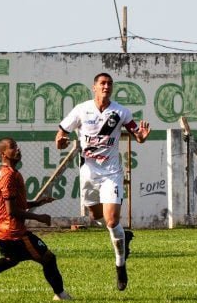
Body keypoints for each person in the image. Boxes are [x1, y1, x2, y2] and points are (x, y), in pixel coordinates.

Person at [55, 72, 150, 291]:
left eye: (109, 84)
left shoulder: (120, 111)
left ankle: (120, 264)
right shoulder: (82, 109)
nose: (106, 86)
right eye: (102, 83)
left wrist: (142, 136)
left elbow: (137, 134)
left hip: (111, 172)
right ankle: (123, 235)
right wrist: (60, 142)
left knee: (110, 219)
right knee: (95, 216)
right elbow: (61, 134)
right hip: (88, 172)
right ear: (94, 87)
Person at [0, 137, 72, 302]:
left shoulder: (7, 173)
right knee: (48, 258)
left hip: (2, 229)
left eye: (17, 146)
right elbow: (12, 211)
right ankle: (61, 295)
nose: (18, 149)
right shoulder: (8, 176)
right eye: (13, 147)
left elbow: (12, 204)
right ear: (3, 153)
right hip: (13, 231)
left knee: (10, 260)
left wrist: (38, 203)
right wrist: (38, 217)